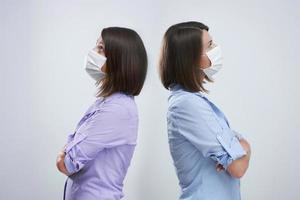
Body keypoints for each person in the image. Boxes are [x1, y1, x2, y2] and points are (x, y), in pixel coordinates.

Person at [159, 21, 251, 200]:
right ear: (190, 58)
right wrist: (244, 146)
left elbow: (236, 160)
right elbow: (238, 167)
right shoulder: (187, 105)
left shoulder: (193, 101)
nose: (216, 49)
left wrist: (239, 149)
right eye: (210, 46)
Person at [56, 27, 148, 200]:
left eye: (100, 48)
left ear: (119, 60)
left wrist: (66, 151)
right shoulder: (108, 103)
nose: (93, 53)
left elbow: (67, 163)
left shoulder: (117, 109)